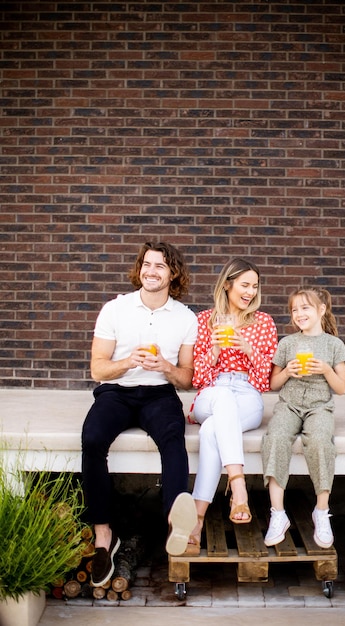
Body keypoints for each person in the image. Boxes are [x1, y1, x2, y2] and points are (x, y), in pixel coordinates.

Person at [81, 241, 198, 587]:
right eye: (147, 264)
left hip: (159, 394)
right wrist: (128, 361)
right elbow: (97, 368)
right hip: (116, 393)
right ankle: (104, 534)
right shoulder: (115, 309)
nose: (151, 271)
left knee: (172, 440)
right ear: (139, 269)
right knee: (92, 439)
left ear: (173, 273)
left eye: (160, 266)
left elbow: (188, 378)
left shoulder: (185, 317)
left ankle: (174, 527)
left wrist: (165, 366)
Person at [185, 258, 278, 554]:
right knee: (221, 400)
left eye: (254, 286)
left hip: (248, 392)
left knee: (213, 429)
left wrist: (247, 348)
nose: (250, 292)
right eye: (244, 285)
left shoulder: (263, 322)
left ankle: (197, 519)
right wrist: (214, 349)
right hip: (212, 392)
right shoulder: (203, 320)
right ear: (227, 284)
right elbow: (196, 377)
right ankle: (238, 486)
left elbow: (266, 379)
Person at [261, 286, 345, 550]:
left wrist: (324, 369)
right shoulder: (287, 343)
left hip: (319, 407)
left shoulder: (334, 344)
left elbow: (341, 388)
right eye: (294, 309)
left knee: (321, 442)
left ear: (321, 310)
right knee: (275, 438)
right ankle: (278, 513)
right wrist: (287, 371)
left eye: (305, 307)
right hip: (289, 405)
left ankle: (321, 511)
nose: (299, 313)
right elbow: (273, 384)